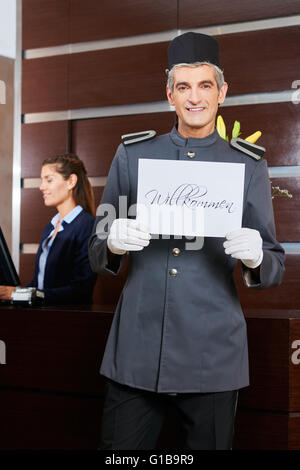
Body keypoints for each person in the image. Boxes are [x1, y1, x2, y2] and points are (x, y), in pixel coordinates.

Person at [88, 33, 285, 450]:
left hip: (212, 354)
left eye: (205, 85)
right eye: (183, 87)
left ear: (222, 92)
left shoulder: (247, 164)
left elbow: (273, 262)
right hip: (137, 350)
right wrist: (112, 243)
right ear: (170, 95)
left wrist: (256, 258)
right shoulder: (133, 155)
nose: (194, 97)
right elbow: (96, 247)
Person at [0, 154, 97, 304]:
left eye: (49, 179)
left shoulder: (87, 226)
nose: (41, 186)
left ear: (71, 181)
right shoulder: (50, 228)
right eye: (42, 180)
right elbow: (39, 285)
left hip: (70, 319)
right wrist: (13, 294)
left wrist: (21, 294)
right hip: (45, 316)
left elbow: (81, 290)